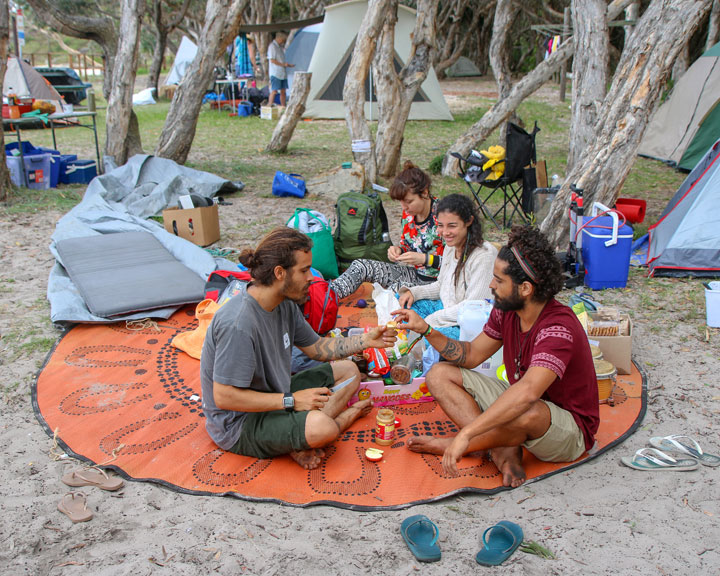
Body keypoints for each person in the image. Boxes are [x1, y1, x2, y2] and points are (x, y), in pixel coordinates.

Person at [393, 226, 599, 488]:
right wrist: (425, 329)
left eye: (499, 280)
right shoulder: (507, 310)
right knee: (439, 374)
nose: (491, 285)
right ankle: (503, 449)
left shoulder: (557, 328)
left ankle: (469, 444)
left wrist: (466, 434)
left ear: (525, 288)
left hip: (569, 431)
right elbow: (470, 355)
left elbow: (527, 392)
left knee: (529, 411)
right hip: (521, 405)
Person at [200, 227, 396, 470]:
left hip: (277, 395)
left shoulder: (284, 303)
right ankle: (340, 418)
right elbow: (225, 396)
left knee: (349, 371)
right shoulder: (239, 325)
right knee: (321, 428)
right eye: (304, 270)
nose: (311, 277)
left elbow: (316, 348)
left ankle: (296, 436)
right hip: (241, 423)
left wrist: (365, 341)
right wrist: (291, 401)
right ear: (280, 273)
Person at [330, 161, 444, 299]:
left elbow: (462, 263)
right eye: (401, 203)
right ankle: (325, 297)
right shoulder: (409, 214)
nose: (404, 207)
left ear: (425, 192)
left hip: (437, 284)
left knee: (392, 294)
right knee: (361, 266)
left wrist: (425, 259)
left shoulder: (445, 215)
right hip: (414, 275)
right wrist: (398, 250)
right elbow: (406, 244)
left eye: (409, 202)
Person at [397, 193, 497, 340]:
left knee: (430, 337)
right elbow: (442, 286)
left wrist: (429, 323)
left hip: (468, 326)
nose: (445, 232)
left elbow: (473, 308)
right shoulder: (451, 247)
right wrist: (414, 293)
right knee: (403, 303)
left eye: (452, 226)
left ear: (469, 221)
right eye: (440, 226)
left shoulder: (484, 256)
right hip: (446, 309)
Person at [267, 32, 293, 107]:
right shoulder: (272, 47)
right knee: (274, 90)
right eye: (282, 40)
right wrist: (283, 64)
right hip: (275, 73)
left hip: (282, 73)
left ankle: (283, 106)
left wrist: (286, 65)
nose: (283, 41)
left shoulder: (280, 47)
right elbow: (272, 60)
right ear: (279, 38)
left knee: (283, 91)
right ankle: (269, 106)